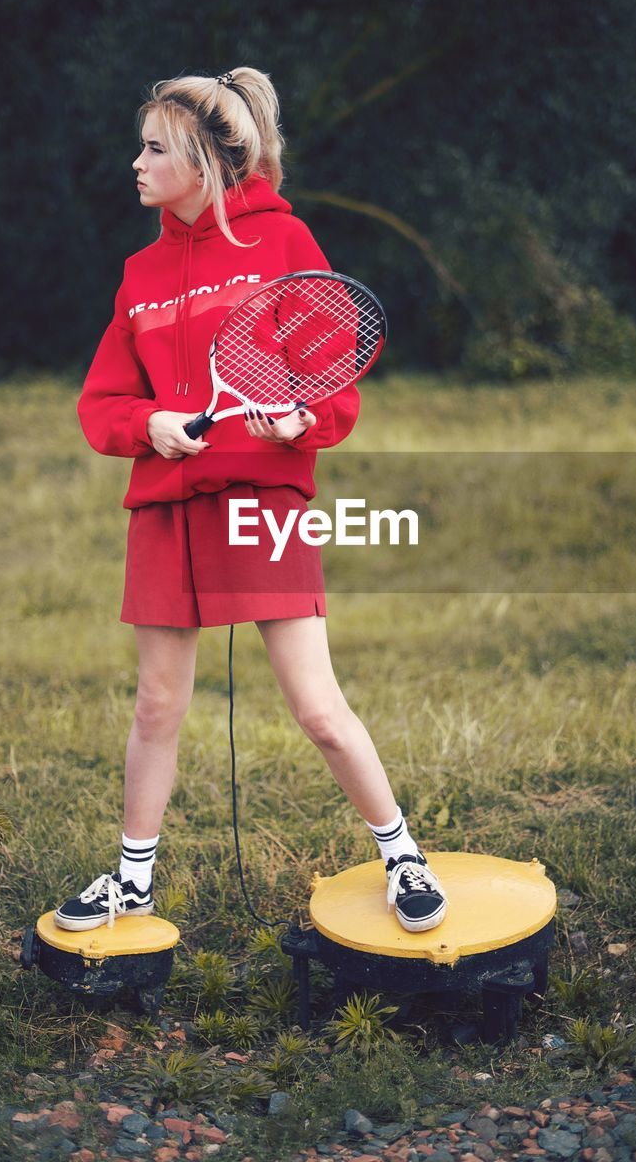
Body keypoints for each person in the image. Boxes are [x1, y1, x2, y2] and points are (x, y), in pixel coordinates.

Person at [54, 67, 447, 937]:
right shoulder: (140, 274)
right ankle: (133, 881)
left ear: (200, 160)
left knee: (316, 706)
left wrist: (301, 417)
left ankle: (403, 856)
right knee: (158, 706)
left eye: (154, 148)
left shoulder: (283, 245)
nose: (137, 162)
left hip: (260, 502)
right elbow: (101, 404)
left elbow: (333, 379)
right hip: (167, 512)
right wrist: (152, 424)